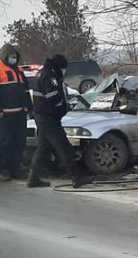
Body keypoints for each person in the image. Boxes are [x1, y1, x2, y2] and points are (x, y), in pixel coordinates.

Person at [27, 54, 95, 188]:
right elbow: (53, 97)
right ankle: (77, 177)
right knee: (64, 147)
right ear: (59, 66)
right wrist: (64, 106)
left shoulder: (40, 73)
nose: (64, 71)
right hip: (49, 118)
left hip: (41, 117)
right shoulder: (50, 76)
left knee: (43, 149)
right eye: (64, 68)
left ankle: (33, 178)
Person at [0, 44, 33, 181]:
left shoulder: (19, 71)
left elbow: (25, 92)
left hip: (20, 113)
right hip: (5, 115)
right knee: (5, 142)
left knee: (19, 142)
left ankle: (15, 168)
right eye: (10, 56)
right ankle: (3, 169)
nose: (13, 58)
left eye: (14, 56)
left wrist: (30, 108)